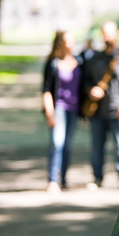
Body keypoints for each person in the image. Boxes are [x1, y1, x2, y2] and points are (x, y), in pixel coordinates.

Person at [84, 21, 119, 189]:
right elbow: (86, 80)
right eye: (103, 33)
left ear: (117, 34)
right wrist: (91, 90)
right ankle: (97, 177)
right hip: (98, 110)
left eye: (109, 33)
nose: (106, 36)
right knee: (96, 146)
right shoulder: (94, 58)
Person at [42, 30, 83, 193]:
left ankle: (63, 179)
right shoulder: (52, 63)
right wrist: (49, 112)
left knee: (67, 145)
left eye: (72, 40)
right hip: (58, 107)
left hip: (74, 109)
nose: (70, 44)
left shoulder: (79, 62)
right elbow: (46, 90)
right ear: (60, 43)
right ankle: (53, 180)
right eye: (67, 41)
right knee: (57, 143)